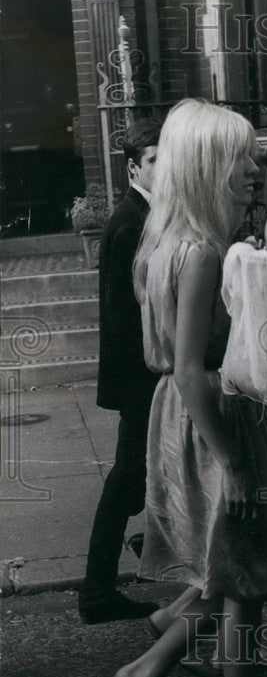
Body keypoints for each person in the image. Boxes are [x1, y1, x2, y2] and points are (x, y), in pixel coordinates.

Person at [102, 99, 267, 677]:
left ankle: (146, 672)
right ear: (206, 167)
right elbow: (195, 370)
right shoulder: (201, 253)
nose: (257, 168)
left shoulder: (165, 241)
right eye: (242, 158)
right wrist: (237, 462)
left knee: (229, 573)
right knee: (244, 582)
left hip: (184, 415)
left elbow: (160, 360)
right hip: (214, 418)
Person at [78, 118, 163, 625]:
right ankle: (96, 592)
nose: (165, 168)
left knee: (137, 480)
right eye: (155, 160)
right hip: (142, 380)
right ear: (134, 167)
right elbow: (128, 316)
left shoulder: (141, 215)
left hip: (141, 379)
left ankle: (138, 552)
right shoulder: (131, 221)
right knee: (127, 482)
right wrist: (147, 382)